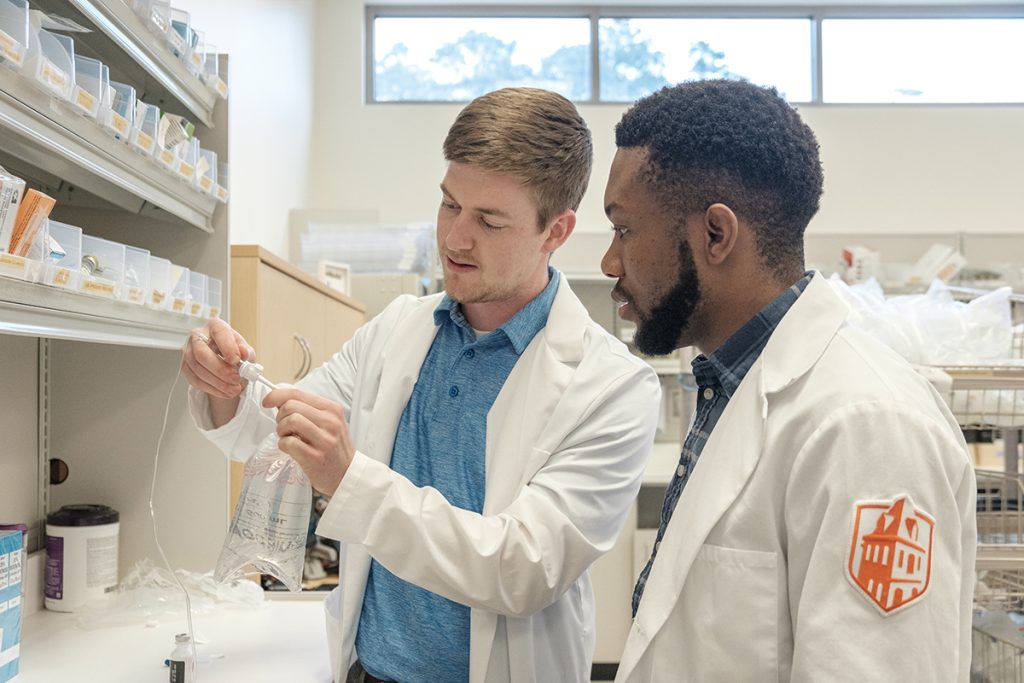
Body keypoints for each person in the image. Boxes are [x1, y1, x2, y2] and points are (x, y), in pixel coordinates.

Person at [181, 87, 661, 683]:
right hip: (368, 672)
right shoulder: (398, 330)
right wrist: (228, 388)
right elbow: (279, 436)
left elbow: (521, 568)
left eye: (488, 220)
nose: (456, 239)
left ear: (555, 232)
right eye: (449, 205)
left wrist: (350, 478)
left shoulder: (613, 387)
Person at [601, 79, 975, 682]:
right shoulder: (730, 388)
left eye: (623, 230)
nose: (610, 264)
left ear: (716, 236)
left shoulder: (865, 428)